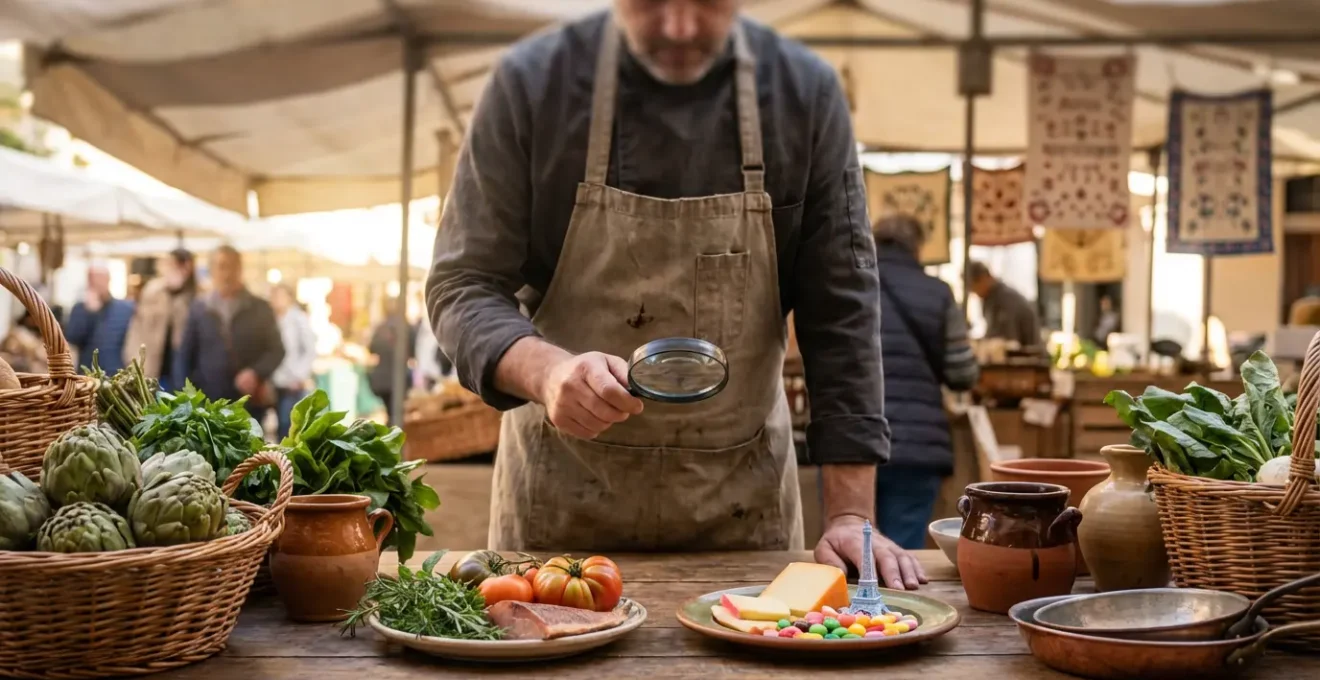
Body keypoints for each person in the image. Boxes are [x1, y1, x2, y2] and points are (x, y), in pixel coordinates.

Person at [428, 0, 924, 589]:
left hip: (741, 509)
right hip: (561, 514)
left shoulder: (803, 95)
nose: (680, 27)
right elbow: (461, 285)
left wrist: (849, 514)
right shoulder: (534, 85)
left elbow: (840, 312)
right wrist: (547, 372)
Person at [872, 215, 979, 549]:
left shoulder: (850, 285)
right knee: (902, 552)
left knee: (851, 550)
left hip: (854, 437)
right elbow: (962, 373)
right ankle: (899, 603)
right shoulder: (938, 293)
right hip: (918, 442)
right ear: (917, 248)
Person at [174, 246, 284, 412]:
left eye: (232, 266)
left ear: (240, 269)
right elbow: (184, 357)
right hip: (208, 404)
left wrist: (256, 372)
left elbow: (277, 350)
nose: (227, 273)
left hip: (248, 404)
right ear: (211, 271)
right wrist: (186, 399)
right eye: (221, 266)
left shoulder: (260, 308)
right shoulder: (199, 309)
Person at [122, 249, 197, 391]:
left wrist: (179, 291)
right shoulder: (153, 290)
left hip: (183, 370)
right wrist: (132, 360)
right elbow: (137, 328)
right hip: (153, 367)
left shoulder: (195, 295)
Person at [65, 264, 134, 374]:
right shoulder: (79, 309)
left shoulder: (125, 309)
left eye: (101, 278)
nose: (97, 283)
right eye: (93, 279)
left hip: (117, 375)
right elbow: (72, 339)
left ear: (108, 279)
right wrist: (90, 313)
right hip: (88, 376)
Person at [269, 284, 317, 438]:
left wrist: (299, 375)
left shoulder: (298, 319)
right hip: (273, 381)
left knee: (288, 426)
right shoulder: (270, 319)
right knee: (276, 427)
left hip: (293, 383)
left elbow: (309, 350)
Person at [968, 260, 1043, 350]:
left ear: (983, 278)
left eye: (974, 287)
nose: (975, 293)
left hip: (1027, 356)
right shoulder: (990, 298)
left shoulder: (1006, 299)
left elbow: (1008, 341)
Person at [367, 300, 417, 425]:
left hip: (382, 379)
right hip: (399, 378)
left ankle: (391, 431)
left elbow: (372, 348)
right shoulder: (407, 327)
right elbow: (414, 350)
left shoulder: (381, 327)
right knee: (397, 413)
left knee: (391, 412)